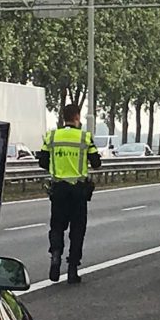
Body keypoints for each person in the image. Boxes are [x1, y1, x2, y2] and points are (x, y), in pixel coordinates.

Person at [38, 104, 102, 284]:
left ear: (63, 117)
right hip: (78, 191)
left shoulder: (51, 136)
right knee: (77, 230)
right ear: (77, 117)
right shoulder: (84, 137)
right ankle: (72, 270)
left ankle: (55, 255)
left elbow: (42, 162)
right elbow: (96, 163)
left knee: (57, 226)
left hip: (58, 189)